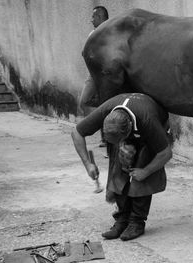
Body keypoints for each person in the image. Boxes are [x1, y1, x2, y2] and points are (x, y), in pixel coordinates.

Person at [71, 93, 173, 241]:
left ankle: (136, 222)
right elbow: (76, 133)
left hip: (154, 124)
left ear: (130, 128)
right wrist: (88, 164)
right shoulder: (105, 111)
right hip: (128, 126)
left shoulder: (148, 121)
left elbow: (165, 153)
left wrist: (145, 171)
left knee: (143, 163)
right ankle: (122, 219)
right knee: (119, 162)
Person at [79, 5, 109, 147]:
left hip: (108, 76)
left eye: (93, 17)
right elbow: (85, 52)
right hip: (93, 74)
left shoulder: (111, 31)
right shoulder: (93, 34)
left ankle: (107, 137)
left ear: (100, 17)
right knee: (84, 102)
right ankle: (103, 129)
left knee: (108, 105)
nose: (91, 20)